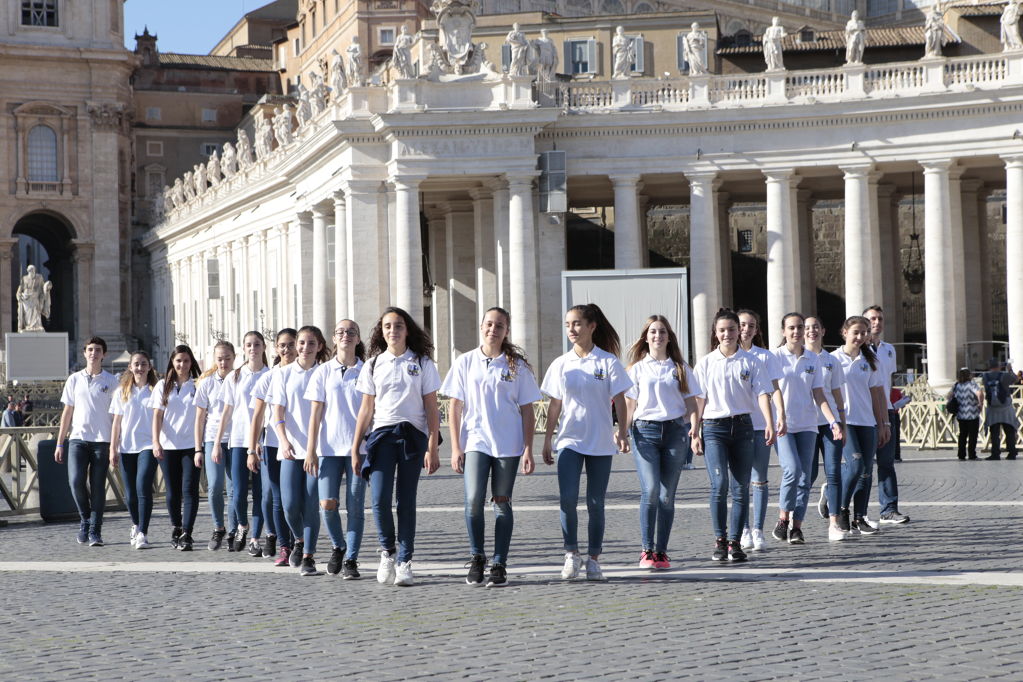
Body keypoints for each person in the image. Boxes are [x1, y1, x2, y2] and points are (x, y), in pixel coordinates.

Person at [443, 307, 541, 587]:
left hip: (507, 445)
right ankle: (477, 557)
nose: (493, 329)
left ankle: (499, 562)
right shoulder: (465, 362)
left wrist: (528, 449)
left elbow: (527, 410)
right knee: (473, 500)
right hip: (475, 441)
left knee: (502, 503)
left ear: (506, 330)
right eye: (488, 324)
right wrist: (455, 447)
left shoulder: (516, 366)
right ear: (481, 326)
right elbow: (455, 406)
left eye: (499, 325)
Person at [352, 307, 442, 587]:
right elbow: (366, 409)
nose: (393, 331)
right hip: (380, 436)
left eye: (399, 325)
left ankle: (405, 560)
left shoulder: (422, 362)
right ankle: (387, 551)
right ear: (382, 331)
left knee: (406, 501)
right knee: (379, 500)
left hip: (412, 436)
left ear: (407, 330)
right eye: (388, 326)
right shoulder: (372, 364)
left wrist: (433, 446)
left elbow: (431, 406)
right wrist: (356, 447)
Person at [541, 303, 632, 581]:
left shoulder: (608, 362)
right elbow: (554, 405)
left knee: (596, 503)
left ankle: (594, 558)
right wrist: (547, 440)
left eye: (577, 323)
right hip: (569, 440)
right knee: (567, 500)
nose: (572, 329)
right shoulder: (561, 363)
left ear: (592, 326)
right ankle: (571, 553)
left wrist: (623, 431)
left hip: (601, 441)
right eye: (568, 324)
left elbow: (620, 401)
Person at [694, 309, 774, 562]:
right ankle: (720, 539)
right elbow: (699, 399)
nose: (727, 334)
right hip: (714, 428)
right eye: (722, 330)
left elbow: (763, 393)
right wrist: (694, 431)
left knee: (741, 489)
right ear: (715, 334)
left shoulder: (752, 362)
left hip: (742, 427)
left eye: (731, 329)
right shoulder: (706, 362)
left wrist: (770, 423)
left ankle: (735, 542)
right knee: (720, 485)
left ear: (739, 331)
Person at [623, 315, 700, 570]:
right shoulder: (637, 368)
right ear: (646, 337)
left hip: (675, 432)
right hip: (644, 432)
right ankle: (646, 549)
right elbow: (630, 404)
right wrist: (622, 431)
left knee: (667, 496)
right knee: (652, 490)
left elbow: (692, 403)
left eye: (663, 332)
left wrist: (695, 430)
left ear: (669, 337)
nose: (658, 336)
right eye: (653, 332)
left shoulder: (679, 367)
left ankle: (661, 552)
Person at [770, 313, 843, 544]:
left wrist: (833, 420)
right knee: (791, 469)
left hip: (808, 424)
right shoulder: (776, 357)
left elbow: (819, 394)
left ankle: (797, 527)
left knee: (804, 477)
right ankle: (783, 519)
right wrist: (779, 414)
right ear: (783, 331)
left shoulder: (813, 359)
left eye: (799, 327)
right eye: (791, 328)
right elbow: (773, 389)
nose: (796, 332)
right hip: (784, 424)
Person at [306, 320, 370, 579]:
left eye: (351, 332)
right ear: (333, 338)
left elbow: (369, 412)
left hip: (359, 448)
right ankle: (338, 545)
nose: (346, 335)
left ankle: (352, 559)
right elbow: (315, 413)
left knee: (355, 507)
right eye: (341, 332)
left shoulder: (367, 370)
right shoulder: (322, 372)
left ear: (357, 339)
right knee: (327, 503)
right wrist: (310, 449)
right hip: (329, 448)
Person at [270, 326, 331, 577]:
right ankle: (298, 539)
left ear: (319, 346)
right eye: (302, 343)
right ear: (296, 345)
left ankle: (309, 556)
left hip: (316, 450)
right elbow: (278, 413)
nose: (306, 347)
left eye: (312, 343)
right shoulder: (283, 374)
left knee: (310, 503)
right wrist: (283, 441)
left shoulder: (324, 373)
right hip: (290, 449)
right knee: (290, 505)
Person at [55, 337, 118, 546]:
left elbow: (117, 415)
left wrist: (115, 445)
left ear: (104, 354)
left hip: (102, 440)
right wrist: (59, 442)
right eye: (90, 350)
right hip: (78, 439)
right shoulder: (74, 379)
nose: (93, 353)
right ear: (85, 353)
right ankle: (85, 518)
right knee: (75, 481)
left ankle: (95, 530)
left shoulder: (112, 381)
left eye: (97, 350)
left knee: (98, 485)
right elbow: (67, 412)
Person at [215, 331, 269, 556]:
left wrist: (259, 439)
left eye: (257, 344)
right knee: (237, 493)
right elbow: (226, 410)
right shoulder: (235, 376)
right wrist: (217, 441)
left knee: (260, 493)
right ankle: (242, 526)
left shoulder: (270, 375)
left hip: (262, 441)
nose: (253, 348)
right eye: (248, 345)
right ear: (243, 349)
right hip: (237, 439)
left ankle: (256, 537)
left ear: (264, 347)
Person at [835, 316, 890, 537]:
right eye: (856, 332)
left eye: (864, 332)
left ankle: (860, 516)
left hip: (867, 421)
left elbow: (878, 394)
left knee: (867, 471)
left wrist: (884, 423)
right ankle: (841, 508)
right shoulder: (833, 359)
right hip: (845, 421)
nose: (860, 337)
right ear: (845, 332)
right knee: (855, 466)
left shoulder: (871, 360)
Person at [736, 310, 786, 551]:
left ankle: (758, 529)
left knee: (760, 480)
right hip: (736, 426)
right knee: (741, 481)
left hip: (759, 424)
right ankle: (743, 528)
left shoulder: (765, 357)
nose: (746, 329)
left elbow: (775, 388)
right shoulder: (727, 356)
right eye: (742, 324)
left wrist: (779, 416)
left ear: (757, 330)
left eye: (751, 325)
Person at [248, 329, 299, 566]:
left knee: (299, 499)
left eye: (290, 345)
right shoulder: (269, 377)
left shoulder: (308, 372)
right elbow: (258, 416)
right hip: (273, 443)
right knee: (278, 498)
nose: (286, 350)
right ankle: (285, 546)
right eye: (282, 345)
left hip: (301, 442)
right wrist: (252, 448)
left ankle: (302, 542)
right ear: (276, 349)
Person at [149, 345, 201, 550]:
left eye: (186, 361)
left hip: (191, 445)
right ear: (172, 362)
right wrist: (155, 441)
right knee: (172, 491)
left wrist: (200, 447)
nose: (182, 365)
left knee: (190, 490)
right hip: (168, 445)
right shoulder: (163, 386)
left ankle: (187, 532)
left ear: (191, 363)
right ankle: (176, 526)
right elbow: (157, 416)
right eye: (178, 360)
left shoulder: (197, 385)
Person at [863, 306, 909, 524]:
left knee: (887, 462)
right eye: (872, 318)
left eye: (880, 318)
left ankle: (889, 509)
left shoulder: (889, 349)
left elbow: (886, 383)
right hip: (863, 413)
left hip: (887, 410)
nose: (877, 322)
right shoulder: (858, 349)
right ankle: (845, 506)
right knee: (860, 466)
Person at [804, 316, 849, 541]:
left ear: (823, 330)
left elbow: (837, 393)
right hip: (806, 423)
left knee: (833, 472)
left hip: (830, 422)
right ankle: (791, 519)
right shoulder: (798, 358)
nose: (812, 331)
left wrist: (842, 422)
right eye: (807, 328)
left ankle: (834, 522)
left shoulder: (831, 361)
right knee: (807, 474)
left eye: (815, 327)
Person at [108, 351, 158, 549]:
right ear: (130, 367)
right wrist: (113, 448)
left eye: (143, 364)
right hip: (127, 446)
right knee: (130, 494)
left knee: (143, 486)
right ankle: (136, 524)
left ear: (149, 367)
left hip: (148, 445)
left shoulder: (155, 390)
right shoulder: (121, 391)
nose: (140, 367)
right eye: (136, 364)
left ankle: (143, 533)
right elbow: (116, 424)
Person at [193, 341, 237, 551]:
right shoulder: (207, 383)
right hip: (212, 438)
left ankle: (235, 529)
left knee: (234, 488)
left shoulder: (240, 379)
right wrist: (198, 448)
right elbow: (199, 418)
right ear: (214, 360)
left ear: (234, 358)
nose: (223, 362)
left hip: (236, 438)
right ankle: (219, 527)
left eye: (227, 358)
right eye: (220, 358)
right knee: (214, 486)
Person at [983, 357, 1019, 460]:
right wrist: (1009, 369)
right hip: (1005, 406)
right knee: (1009, 431)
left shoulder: (985, 376)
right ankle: (1012, 452)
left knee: (994, 432)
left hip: (992, 407)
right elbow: (1016, 379)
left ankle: (995, 454)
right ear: (999, 366)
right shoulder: (1004, 375)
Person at [949, 368, 984, 461]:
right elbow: (979, 393)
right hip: (972, 413)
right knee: (973, 435)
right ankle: (972, 454)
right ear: (969, 375)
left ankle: (961, 455)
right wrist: (980, 404)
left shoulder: (956, 385)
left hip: (961, 413)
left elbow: (949, 396)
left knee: (962, 435)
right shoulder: (971, 384)